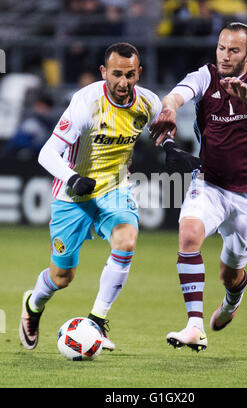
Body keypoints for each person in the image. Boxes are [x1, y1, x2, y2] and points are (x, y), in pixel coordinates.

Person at [19, 42, 162, 351]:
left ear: (139, 73)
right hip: (73, 195)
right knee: (62, 277)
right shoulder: (86, 104)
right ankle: (33, 304)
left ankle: (97, 320)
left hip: (115, 188)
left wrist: (173, 147)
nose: (123, 83)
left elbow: (164, 129)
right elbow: (47, 153)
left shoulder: (149, 102)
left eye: (130, 75)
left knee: (127, 240)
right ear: (103, 72)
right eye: (116, 75)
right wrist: (72, 177)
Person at [150, 22, 247, 352]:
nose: (225, 55)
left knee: (230, 274)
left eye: (234, 50)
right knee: (189, 235)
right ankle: (194, 326)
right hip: (211, 183)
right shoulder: (205, 76)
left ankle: (232, 302)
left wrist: (245, 95)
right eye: (221, 47)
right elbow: (177, 93)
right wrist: (169, 108)